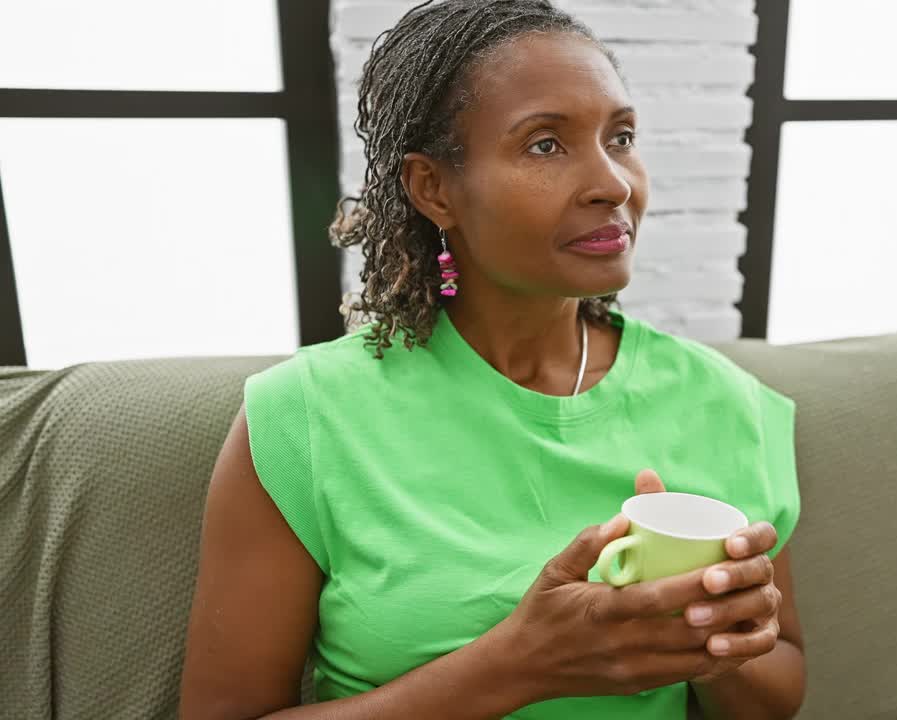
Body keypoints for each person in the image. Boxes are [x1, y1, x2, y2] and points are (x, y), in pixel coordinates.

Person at [178, 1, 804, 718]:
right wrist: (519, 664)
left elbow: (779, 690)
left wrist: (713, 641)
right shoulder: (303, 419)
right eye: (545, 145)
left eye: (621, 137)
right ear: (433, 189)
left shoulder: (726, 405)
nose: (614, 184)